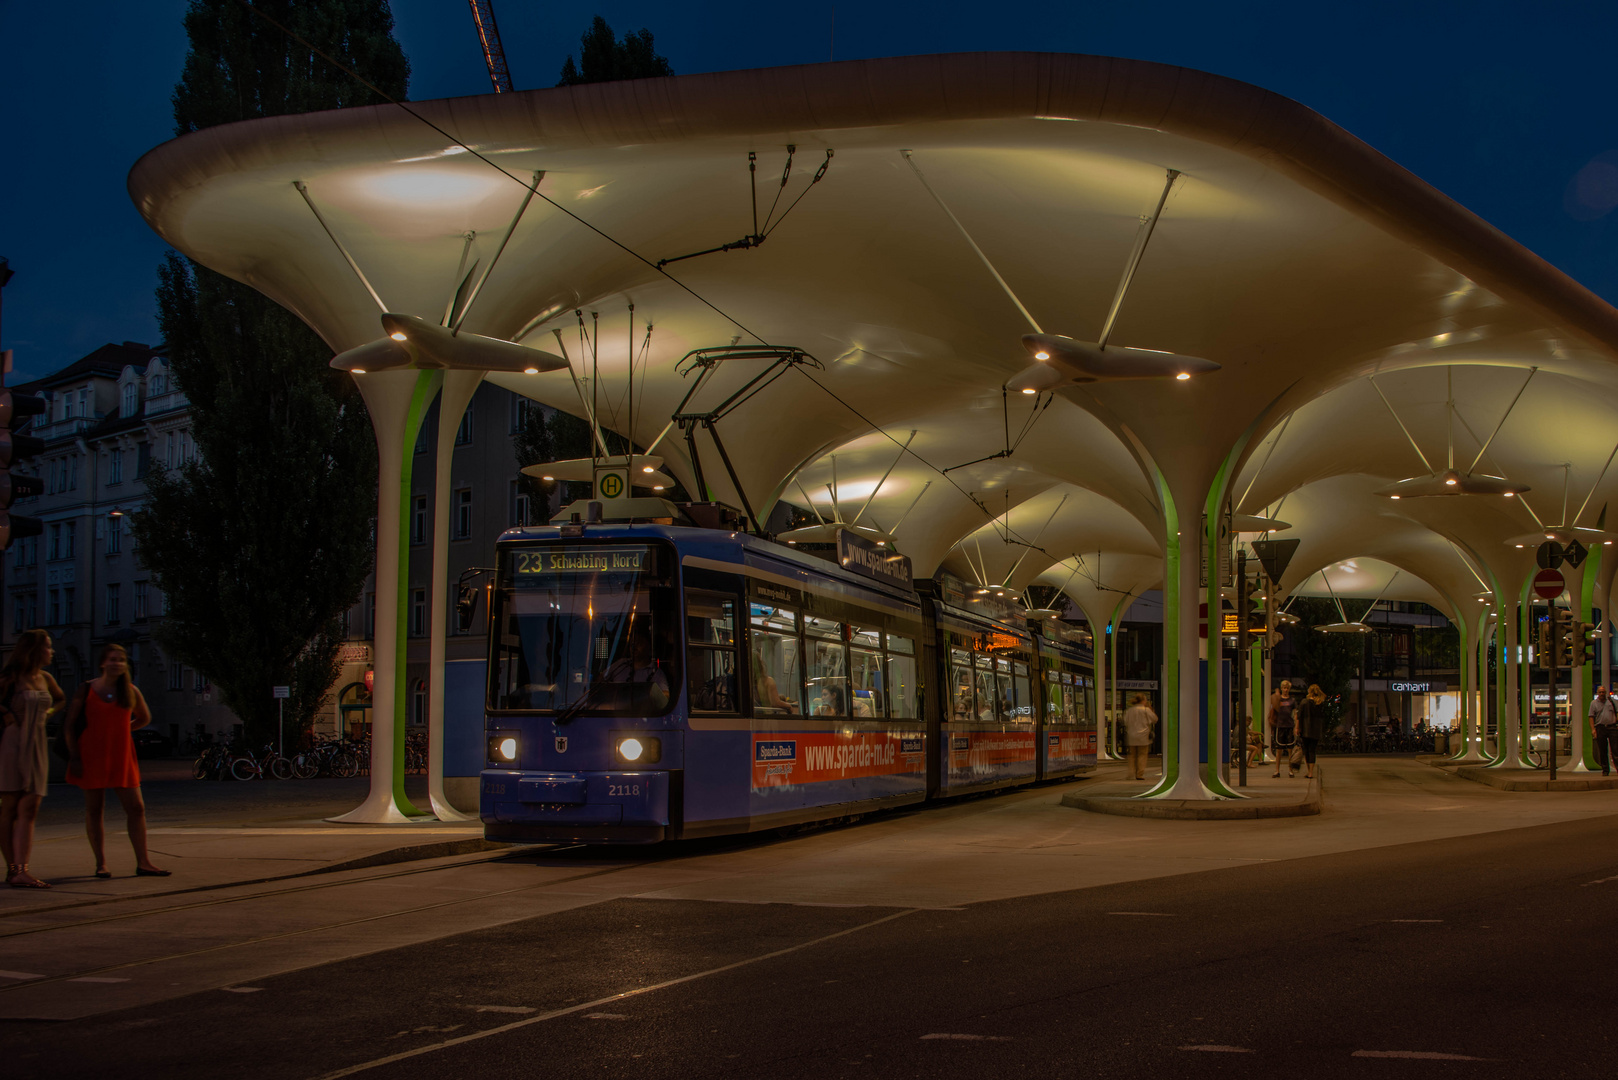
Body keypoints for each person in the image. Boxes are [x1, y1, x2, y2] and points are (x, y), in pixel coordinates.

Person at [65, 644, 169, 879]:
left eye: (121, 660)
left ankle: (144, 862)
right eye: (112, 659)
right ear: (103, 663)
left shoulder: (131, 690)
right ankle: (101, 863)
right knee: (95, 809)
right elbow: (70, 724)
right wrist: (74, 756)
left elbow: (144, 717)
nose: (117, 664)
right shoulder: (87, 689)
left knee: (136, 807)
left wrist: (124, 730)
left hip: (122, 755)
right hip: (91, 754)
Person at [1, 630, 65, 889]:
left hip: (36, 742)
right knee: (10, 806)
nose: (52, 651)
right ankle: (14, 869)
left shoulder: (46, 678)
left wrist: (48, 712)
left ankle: (21, 869)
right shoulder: (12, 677)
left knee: (30, 806)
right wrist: (5, 714)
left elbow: (60, 700)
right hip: (14, 742)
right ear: (35, 649)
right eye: (48, 647)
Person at [1122, 694, 1157, 780]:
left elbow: (1125, 721)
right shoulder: (1146, 710)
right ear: (1143, 701)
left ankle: (1131, 772)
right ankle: (1139, 774)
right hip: (1143, 736)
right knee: (1142, 755)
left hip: (1132, 735)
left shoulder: (1129, 710)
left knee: (1132, 755)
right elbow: (1155, 719)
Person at [1296, 684, 1327, 780]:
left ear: (1309, 691)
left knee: (1306, 750)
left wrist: (1297, 728)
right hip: (1316, 730)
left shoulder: (1304, 702)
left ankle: (1308, 770)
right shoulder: (1320, 703)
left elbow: (1299, 716)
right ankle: (1311, 772)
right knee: (1312, 750)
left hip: (1305, 729)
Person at [1269, 680, 1298, 778]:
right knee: (1279, 750)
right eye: (1284, 688)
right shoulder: (1278, 699)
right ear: (1282, 688)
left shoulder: (1292, 700)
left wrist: (1296, 726)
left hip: (1289, 726)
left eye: (1287, 688)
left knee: (1290, 749)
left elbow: (1295, 714)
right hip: (1280, 726)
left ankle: (1290, 770)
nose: (1285, 690)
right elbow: (1273, 705)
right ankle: (1277, 770)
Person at [1590, 685, 1618, 776]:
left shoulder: (1612, 702)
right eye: (1600, 692)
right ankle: (1605, 770)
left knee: (1615, 749)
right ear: (1597, 693)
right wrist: (1593, 729)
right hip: (1600, 728)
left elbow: (1617, 712)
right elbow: (1591, 716)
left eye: (1603, 692)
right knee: (1602, 750)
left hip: (1612, 727)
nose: (1602, 694)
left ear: (1606, 693)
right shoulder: (1593, 703)